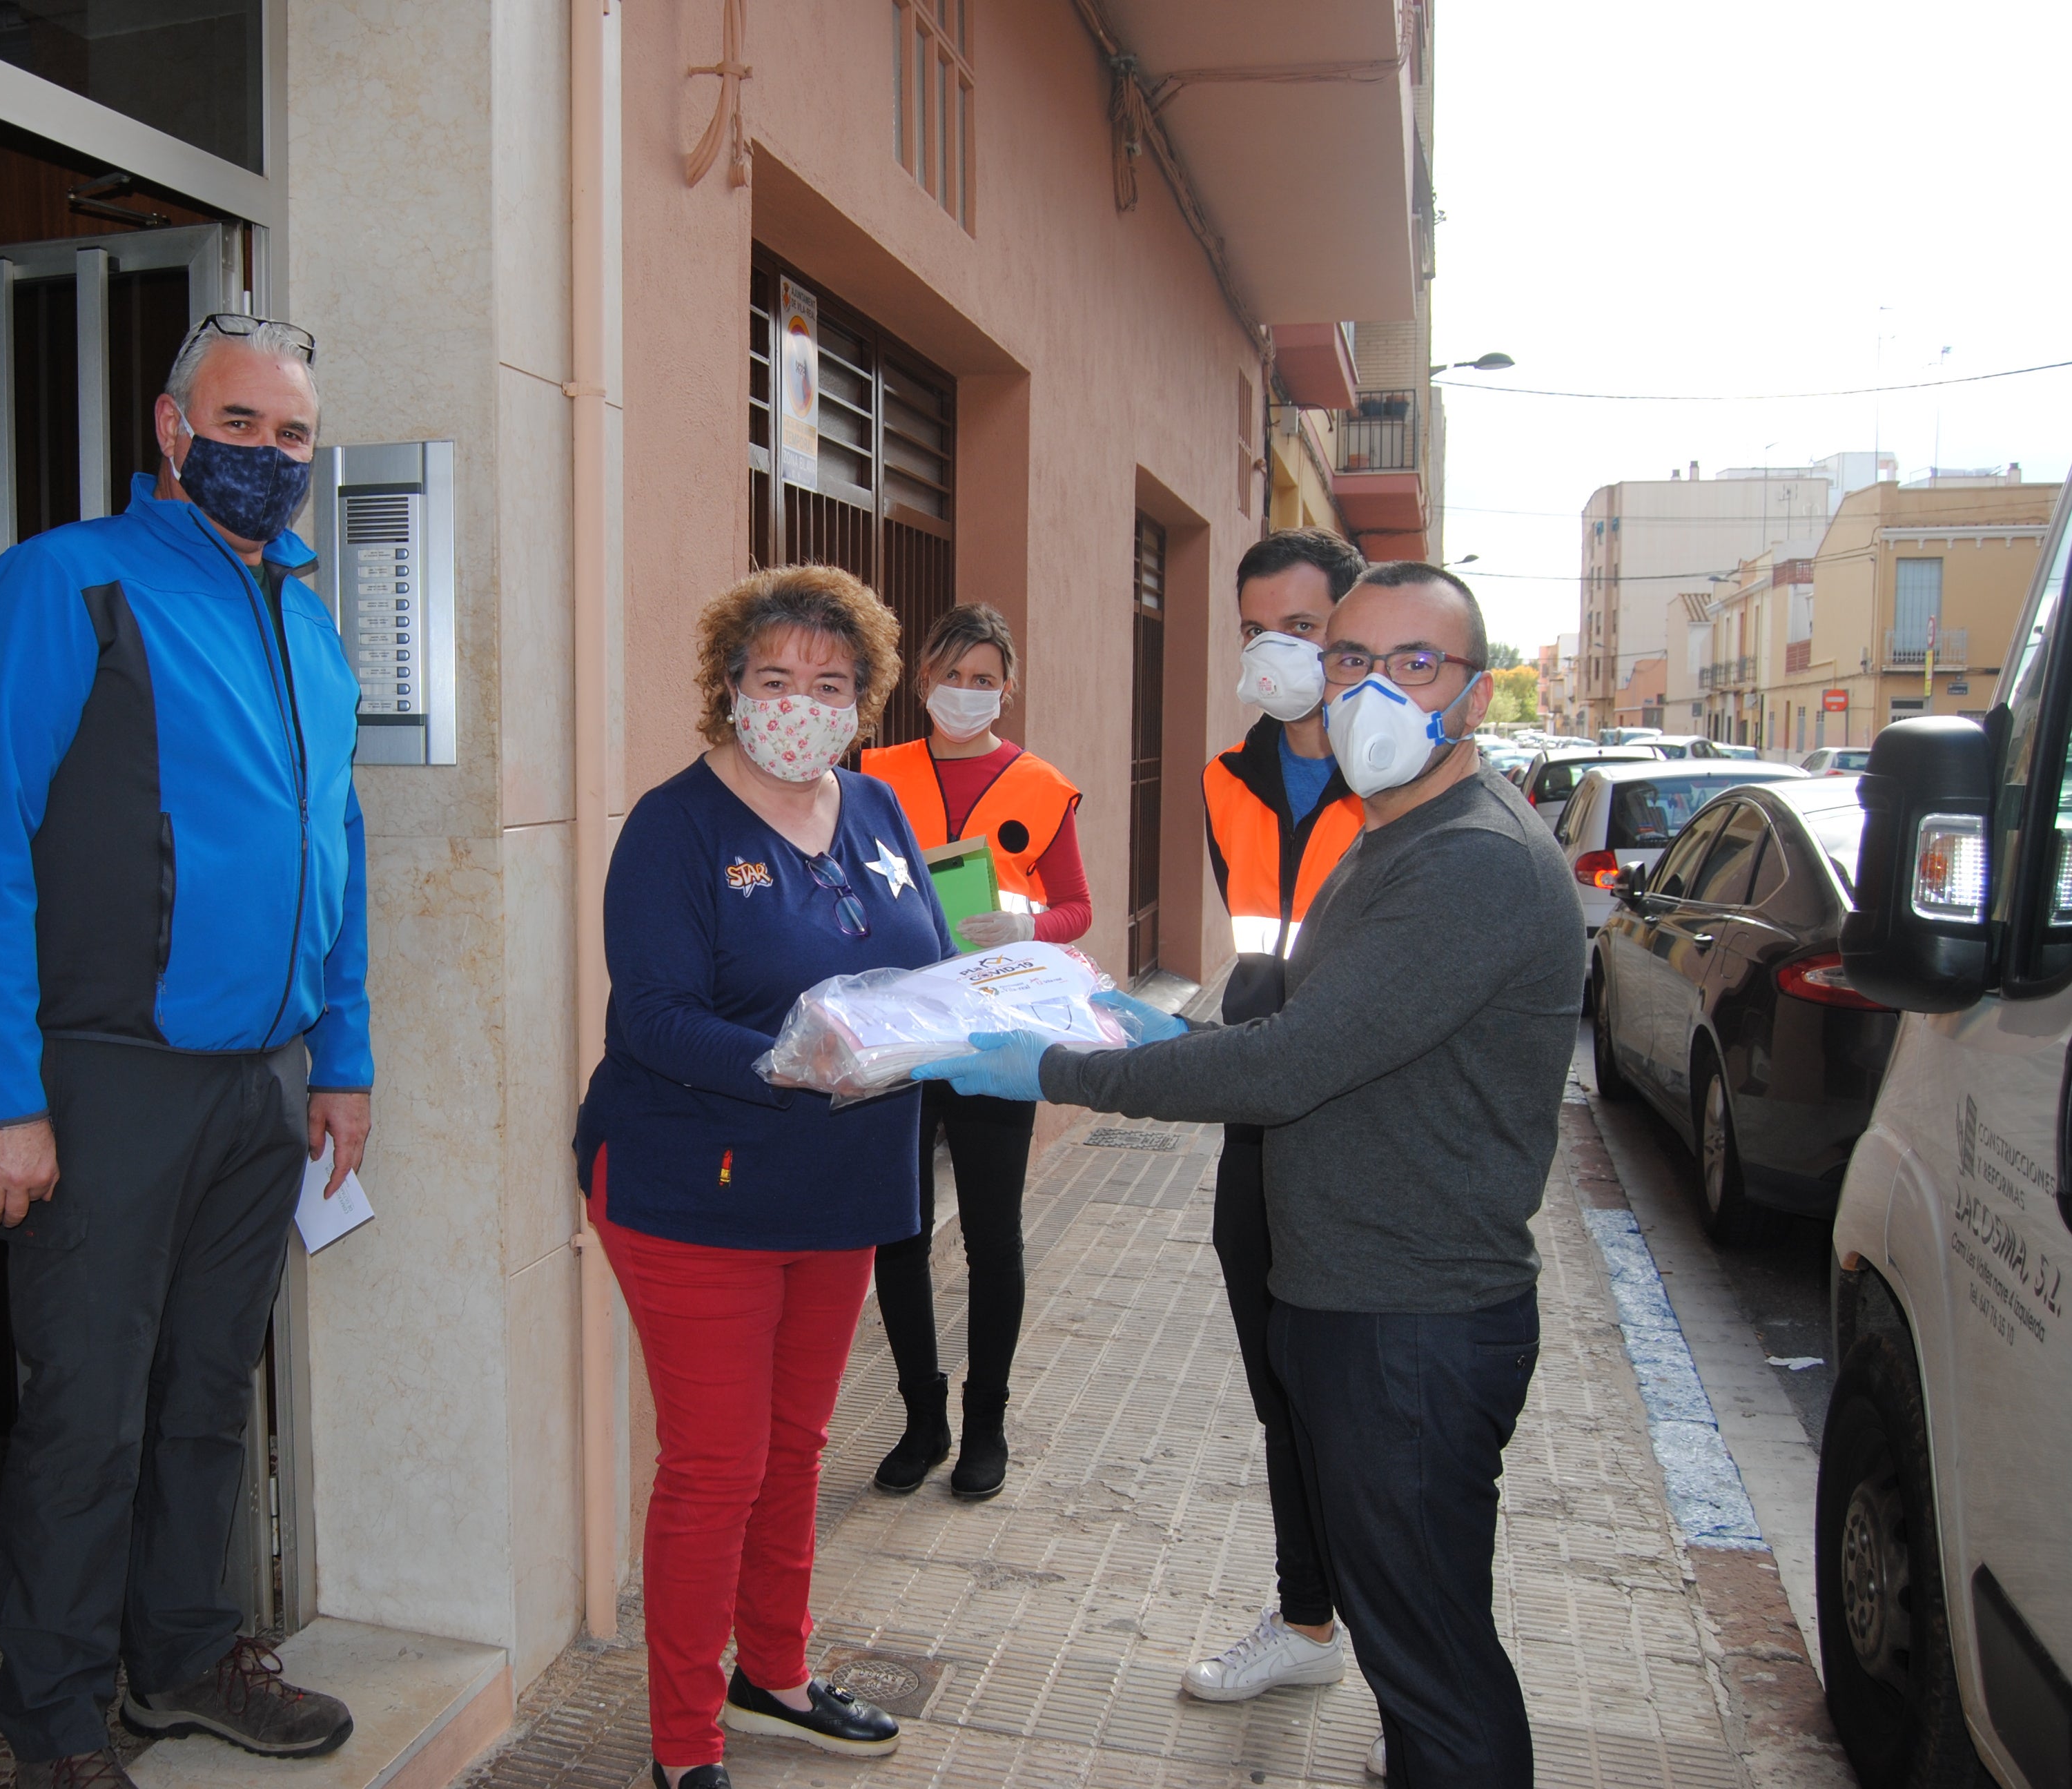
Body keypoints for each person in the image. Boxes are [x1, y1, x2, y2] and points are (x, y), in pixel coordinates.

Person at [915, 563, 1579, 1788]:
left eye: (1415, 665)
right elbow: (1314, 1029)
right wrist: (1157, 1032)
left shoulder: (1471, 861)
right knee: (1416, 1638)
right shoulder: (1397, 836)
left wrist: (1062, 1067)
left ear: (1476, 697)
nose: (1372, 691)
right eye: (1351, 660)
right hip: (1359, 1291)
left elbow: (1292, 1066)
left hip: (1410, 1317)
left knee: (1436, 1669)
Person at [0, 315, 371, 1789]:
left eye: (293, 434)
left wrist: (342, 1056)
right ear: (174, 430)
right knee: (89, 1415)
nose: (268, 455)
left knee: (209, 1393)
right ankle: (55, 1720)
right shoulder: (65, 585)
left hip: (265, 1081)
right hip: (104, 1079)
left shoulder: (305, 620)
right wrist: (4, 1099)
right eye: (239, 424)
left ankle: (183, 1660)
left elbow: (337, 849)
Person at [575, 565, 948, 1789]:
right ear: (730, 688)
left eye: (831, 684)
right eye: (776, 677)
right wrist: (798, 1061)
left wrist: (1001, 994)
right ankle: (684, 1746)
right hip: (695, 1186)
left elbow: (929, 966)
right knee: (716, 1468)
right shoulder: (674, 826)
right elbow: (654, 1019)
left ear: (864, 700)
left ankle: (773, 1674)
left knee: (796, 1446)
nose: (802, 703)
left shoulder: (878, 808)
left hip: (840, 1184)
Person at [1184, 529, 1367, 1703]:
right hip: (1261, 1111)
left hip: (1371, 1114)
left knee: (1376, 1403)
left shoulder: (1402, 774)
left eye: (1303, 628)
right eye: (1257, 629)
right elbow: (1261, 955)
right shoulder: (1224, 779)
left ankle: (1418, 1677)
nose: (1278, 653)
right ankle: (1307, 1622)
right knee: (1282, 1389)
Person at [857, 604, 1086, 1500]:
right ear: (922, 682)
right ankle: (922, 1418)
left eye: (984, 678)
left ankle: (986, 1422)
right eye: (952, 675)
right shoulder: (872, 774)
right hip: (905, 1029)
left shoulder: (1042, 785)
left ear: (1007, 688)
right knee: (900, 1232)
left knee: (994, 1236)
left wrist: (1030, 927)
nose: (966, 692)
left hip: (995, 1035)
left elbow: (1076, 907)